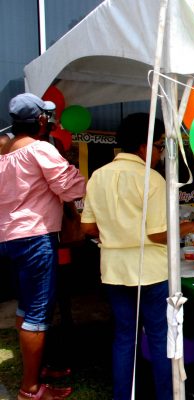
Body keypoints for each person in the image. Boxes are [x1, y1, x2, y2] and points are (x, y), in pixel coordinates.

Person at [80, 113, 194, 400]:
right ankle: (166, 395)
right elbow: (157, 234)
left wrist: (115, 230)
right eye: (160, 146)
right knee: (159, 337)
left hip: (114, 271)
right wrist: (188, 226)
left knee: (125, 337)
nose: (162, 153)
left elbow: (87, 228)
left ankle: (122, 396)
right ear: (143, 147)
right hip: (150, 271)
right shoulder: (153, 180)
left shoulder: (98, 176)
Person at [0, 93, 86, 400]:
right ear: (39, 121)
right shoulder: (40, 150)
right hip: (37, 239)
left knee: (25, 308)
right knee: (36, 312)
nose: (48, 122)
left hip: (10, 239)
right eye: (46, 117)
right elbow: (71, 186)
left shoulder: (5, 154)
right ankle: (30, 390)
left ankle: (36, 372)